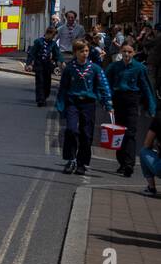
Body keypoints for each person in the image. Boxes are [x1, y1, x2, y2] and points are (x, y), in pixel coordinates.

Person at [56, 39, 113, 175]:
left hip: (88, 104)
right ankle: (71, 159)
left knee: (86, 134)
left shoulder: (95, 69)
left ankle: (82, 163)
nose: (85, 54)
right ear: (75, 52)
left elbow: (103, 86)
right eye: (81, 51)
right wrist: (61, 106)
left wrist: (108, 103)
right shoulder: (69, 69)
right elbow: (63, 89)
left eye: (86, 51)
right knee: (71, 130)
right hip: (73, 103)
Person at [105, 41, 156, 177]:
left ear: (133, 53)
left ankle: (129, 164)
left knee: (130, 133)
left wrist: (152, 107)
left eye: (129, 52)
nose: (127, 54)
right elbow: (106, 84)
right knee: (118, 132)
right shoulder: (114, 67)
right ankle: (121, 163)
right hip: (118, 100)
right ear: (121, 52)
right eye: (124, 51)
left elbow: (146, 88)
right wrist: (107, 101)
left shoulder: (140, 68)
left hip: (132, 101)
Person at [26, 25, 62, 107]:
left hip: (48, 65)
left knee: (47, 83)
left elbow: (57, 54)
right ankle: (40, 99)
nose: (53, 38)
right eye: (52, 36)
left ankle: (44, 96)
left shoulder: (53, 44)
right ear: (47, 33)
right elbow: (32, 53)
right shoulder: (38, 42)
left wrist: (61, 62)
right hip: (39, 64)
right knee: (40, 82)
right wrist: (28, 64)